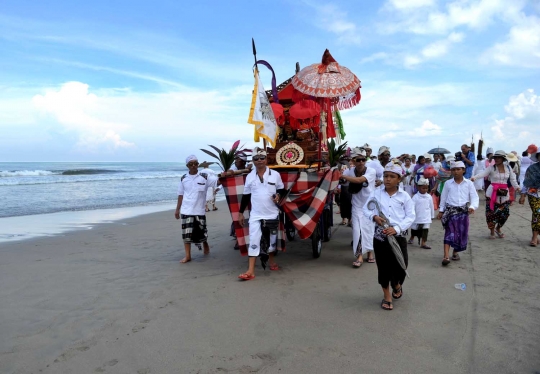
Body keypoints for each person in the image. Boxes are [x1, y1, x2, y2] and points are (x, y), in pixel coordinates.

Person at [363, 160, 415, 311]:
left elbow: (410, 216)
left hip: (398, 236)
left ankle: (397, 284)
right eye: (386, 176)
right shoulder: (375, 194)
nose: (388, 179)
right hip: (380, 237)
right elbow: (366, 209)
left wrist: (397, 228)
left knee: (401, 265)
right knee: (384, 267)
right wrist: (374, 217)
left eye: (392, 176)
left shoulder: (404, 196)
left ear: (399, 179)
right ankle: (387, 296)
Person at [237, 148, 285, 280]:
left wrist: (278, 195)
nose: (259, 161)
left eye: (262, 158)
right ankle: (250, 270)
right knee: (253, 239)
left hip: (272, 213)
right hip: (256, 214)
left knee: (270, 240)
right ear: (253, 161)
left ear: (266, 159)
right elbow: (246, 196)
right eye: (256, 158)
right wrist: (240, 213)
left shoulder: (275, 174)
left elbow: (281, 188)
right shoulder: (250, 176)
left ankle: (271, 261)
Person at [175, 155, 220, 263]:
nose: (194, 166)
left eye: (196, 163)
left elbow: (217, 182)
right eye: (191, 164)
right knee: (186, 234)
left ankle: (205, 244)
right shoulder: (183, 178)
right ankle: (188, 256)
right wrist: (177, 209)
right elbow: (180, 195)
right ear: (187, 166)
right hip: (186, 210)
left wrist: (225, 175)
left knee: (202, 231)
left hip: (199, 210)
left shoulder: (204, 176)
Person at [437, 161, 479, 266]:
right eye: (453, 170)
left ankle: (455, 252)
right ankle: (446, 256)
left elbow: (474, 197)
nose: (456, 172)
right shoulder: (448, 183)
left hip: (463, 213)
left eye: (458, 169)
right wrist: (441, 211)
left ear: (463, 170)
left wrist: (472, 206)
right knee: (449, 233)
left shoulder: (469, 183)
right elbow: (444, 197)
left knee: (461, 234)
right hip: (450, 212)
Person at [471, 150, 519, 239]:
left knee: (505, 213)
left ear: (503, 159)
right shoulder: (491, 167)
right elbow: (482, 174)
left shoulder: (508, 168)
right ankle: (492, 231)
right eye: (495, 157)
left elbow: (513, 179)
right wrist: (474, 177)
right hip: (492, 193)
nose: (496, 159)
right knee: (491, 213)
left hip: (504, 193)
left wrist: (517, 187)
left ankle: (498, 228)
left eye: (498, 157)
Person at [341, 148, 376, 267]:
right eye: (358, 160)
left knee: (369, 229)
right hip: (356, 205)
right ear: (353, 161)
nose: (361, 162)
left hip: (370, 206)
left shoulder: (371, 171)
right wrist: (337, 173)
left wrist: (344, 177)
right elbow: (339, 178)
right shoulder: (349, 171)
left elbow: (360, 180)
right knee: (357, 231)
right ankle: (359, 256)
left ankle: (370, 253)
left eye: (363, 159)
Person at [519, 148, 540, 247]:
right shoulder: (532, 168)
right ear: (537, 156)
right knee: (537, 212)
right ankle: (534, 237)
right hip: (533, 194)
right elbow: (526, 183)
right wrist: (522, 195)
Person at [408, 178, 435, 249]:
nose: (425, 190)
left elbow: (431, 206)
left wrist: (432, 215)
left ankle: (423, 243)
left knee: (425, 230)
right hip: (417, 217)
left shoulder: (429, 197)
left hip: (426, 217)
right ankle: (412, 237)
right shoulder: (415, 197)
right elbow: (411, 207)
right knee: (414, 229)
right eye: (423, 188)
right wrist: (410, 215)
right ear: (418, 187)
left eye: (426, 188)